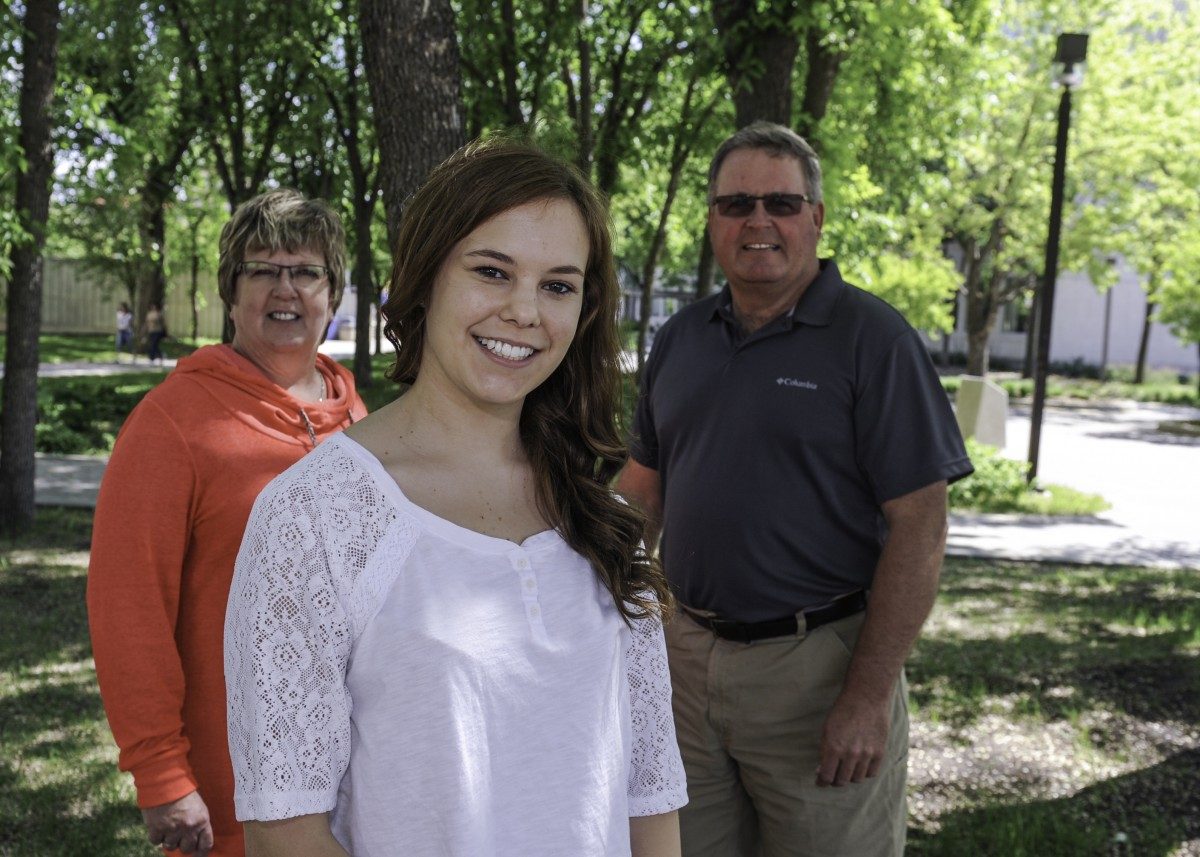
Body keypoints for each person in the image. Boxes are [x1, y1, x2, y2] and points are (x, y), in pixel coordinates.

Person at [223, 139, 687, 857]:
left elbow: (648, 796)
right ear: (425, 276)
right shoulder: (317, 515)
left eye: (558, 285)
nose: (525, 311)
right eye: (493, 271)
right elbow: (285, 829)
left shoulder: (603, 519)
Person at [616, 122, 974, 857]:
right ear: (712, 221)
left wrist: (868, 696)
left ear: (815, 216)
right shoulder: (680, 339)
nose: (758, 221)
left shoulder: (873, 340)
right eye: (735, 202)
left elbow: (922, 528)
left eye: (781, 202)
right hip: (685, 661)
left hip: (819, 672)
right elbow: (641, 496)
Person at [88, 189, 367, 857]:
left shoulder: (360, 422)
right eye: (262, 269)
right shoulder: (173, 421)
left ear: (333, 292)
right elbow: (129, 607)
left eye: (307, 271)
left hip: (360, 789)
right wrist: (160, 770)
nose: (286, 288)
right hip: (232, 796)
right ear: (230, 289)